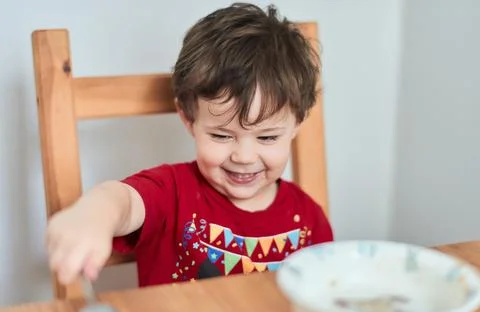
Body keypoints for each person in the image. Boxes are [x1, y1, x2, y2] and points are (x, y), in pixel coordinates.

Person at [46, 2, 334, 287]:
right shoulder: (171, 192)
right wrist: (95, 214)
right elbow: (123, 201)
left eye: (267, 137)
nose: (244, 157)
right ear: (188, 118)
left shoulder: (310, 219)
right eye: (222, 136)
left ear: (297, 124)